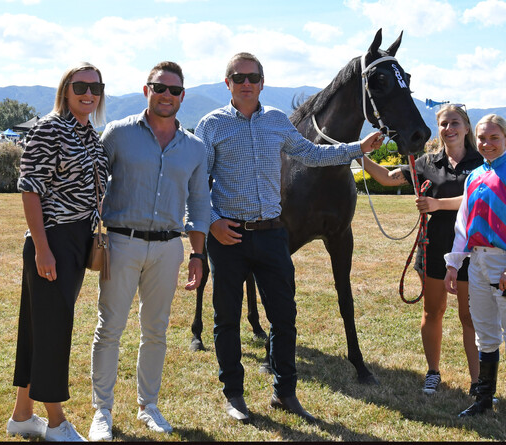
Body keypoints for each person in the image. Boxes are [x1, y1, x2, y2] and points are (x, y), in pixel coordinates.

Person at [195, 52, 383, 424]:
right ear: (227, 82)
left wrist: (356, 149)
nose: (246, 82)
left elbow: (311, 154)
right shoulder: (211, 125)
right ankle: (234, 394)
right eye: (238, 77)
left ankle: (285, 392)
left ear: (262, 83)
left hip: (271, 234)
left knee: (285, 317)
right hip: (228, 236)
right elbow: (196, 182)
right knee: (227, 319)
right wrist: (214, 221)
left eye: (253, 77)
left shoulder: (278, 122)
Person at [88, 61, 209, 440]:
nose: (166, 95)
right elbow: (92, 180)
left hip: (168, 248)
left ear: (182, 96)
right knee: (110, 328)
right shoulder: (118, 133)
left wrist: (197, 254)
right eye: (160, 88)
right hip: (121, 243)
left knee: (155, 331)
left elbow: (200, 203)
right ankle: (102, 412)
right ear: (146, 90)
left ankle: (148, 406)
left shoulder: (194, 147)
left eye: (174, 90)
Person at [7, 62, 108, 442]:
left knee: (37, 328)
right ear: (66, 88)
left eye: (95, 87)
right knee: (53, 329)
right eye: (81, 85)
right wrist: (43, 250)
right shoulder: (50, 128)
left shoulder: (88, 133)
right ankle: (55, 422)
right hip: (52, 238)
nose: (89, 93)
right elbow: (30, 189)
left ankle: (21, 414)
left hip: (77, 239)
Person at [358, 104, 483, 396]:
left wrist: (438, 204)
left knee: (470, 318)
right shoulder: (425, 162)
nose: (448, 129)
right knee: (432, 311)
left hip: (473, 251)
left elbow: (477, 200)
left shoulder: (482, 164)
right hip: (434, 247)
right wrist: (359, 157)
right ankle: (432, 372)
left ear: (466, 127)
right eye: (443, 123)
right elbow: (388, 178)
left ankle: (478, 382)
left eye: (454, 123)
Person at [444, 114, 506, 431]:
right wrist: (454, 263)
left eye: (494, 138)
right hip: (478, 264)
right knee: (486, 336)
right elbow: (464, 224)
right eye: (482, 138)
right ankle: (484, 399)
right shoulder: (474, 177)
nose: (486, 143)